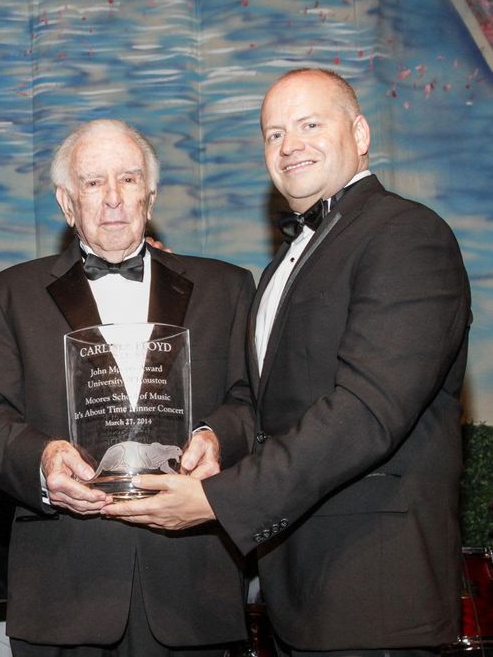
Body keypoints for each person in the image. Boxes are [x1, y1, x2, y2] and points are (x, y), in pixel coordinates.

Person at [103, 69, 472, 653]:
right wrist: (212, 439)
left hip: (375, 590)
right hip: (293, 592)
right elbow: (264, 404)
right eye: (273, 134)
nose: (289, 145)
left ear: (360, 132)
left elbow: (366, 411)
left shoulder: (407, 234)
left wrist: (217, 500)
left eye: (309, 124)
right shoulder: (281, 265)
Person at [0, 119, 254, 655]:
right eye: (93, 183)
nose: (114, 199)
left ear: (151, 192)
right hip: (64, 589)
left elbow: (249, 403)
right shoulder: (10, 294)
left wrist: (217, 437)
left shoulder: (227, 287)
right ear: (66, 201)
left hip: (193, 587)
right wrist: (42, 459)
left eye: (128, 178)